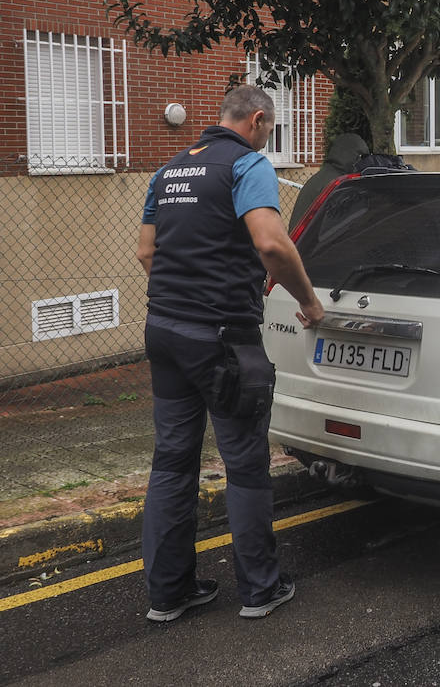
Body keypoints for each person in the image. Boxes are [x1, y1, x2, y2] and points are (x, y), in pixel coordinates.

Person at [137, 85, 326, 622]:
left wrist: (182, 296)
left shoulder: (169, 170)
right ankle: (260, 590)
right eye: (270, 129)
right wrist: (309, 302)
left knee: (173, 460)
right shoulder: (248, 166)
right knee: (244, 463)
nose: (269, 137)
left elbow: (147, 251)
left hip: (165, 329)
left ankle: (168, 594)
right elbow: (270, 243)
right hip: (221, 337)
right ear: (258, 120)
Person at [288, 132, 369, 232]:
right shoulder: (338, 185)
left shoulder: (324, 177)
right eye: (362, 157)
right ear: (354, 157)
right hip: (313, 245)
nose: (364, 162)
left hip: (299, 243)